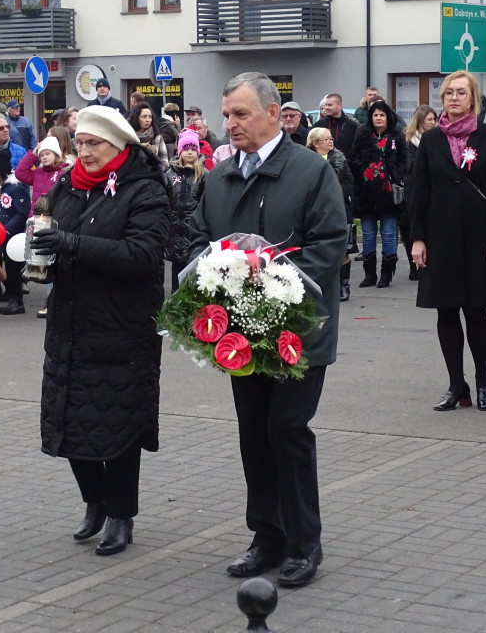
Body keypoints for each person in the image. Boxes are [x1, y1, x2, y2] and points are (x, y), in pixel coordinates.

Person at [188, 72, 348, 589]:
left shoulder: (309, 170)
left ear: (274, 115)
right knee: (254, 434)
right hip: (241, 334)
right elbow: (194, 240)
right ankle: (267, 536)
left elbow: (330, 245)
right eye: (226, 114)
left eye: (241, 114)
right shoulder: (218, 176)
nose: (230, 124)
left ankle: (304, 543)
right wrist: (216, 269)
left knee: (287, 430)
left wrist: (276, 275)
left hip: (298, 332)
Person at [32, 104, 169, 558]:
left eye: (95, 144)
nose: (84, 152)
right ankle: (94, 501)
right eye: (82, 143)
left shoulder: (144, 189)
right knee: (71, 419)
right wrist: (41, 255)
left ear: (119, 146)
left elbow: (142, 256)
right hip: (71, 324)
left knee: (120, 427)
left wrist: (72, 244)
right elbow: (55, 239)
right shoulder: (68, 187)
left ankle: (120, 514)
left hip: (122, 328)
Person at [409, 70, 486, 413]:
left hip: (479, 237)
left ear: (473, 99)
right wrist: (417, 239)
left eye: (461, 93)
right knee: (446, 310)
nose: (454, 98)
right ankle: (457, 385)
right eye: (449, 93)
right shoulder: (431, 140)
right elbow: (419, 193)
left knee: (475, 309)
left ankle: (482, 380)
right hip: (439, 238)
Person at [350, 100, 408, 289]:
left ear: (388, 117)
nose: (378, 118)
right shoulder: (363, 134)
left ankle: (386, 273)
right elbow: (353, 158)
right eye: (375, 115)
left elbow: (404, 159)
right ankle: (369, 274)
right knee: (368, 234)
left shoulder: (396, 135)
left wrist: (395, 174)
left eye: (382, 115)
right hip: (367, 192)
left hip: (388, 194)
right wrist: (364, 171)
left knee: (389, 234)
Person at [307, 127, 355, 300]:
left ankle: (344, 286)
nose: (330, 142)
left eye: (331, 139)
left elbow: (349, 181)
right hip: (314, 210)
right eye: (325, 139)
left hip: (339, 208)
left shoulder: (339, 159)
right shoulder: (306, 161)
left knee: (343, 251)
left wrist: (333, 193)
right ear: (314, 143)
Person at [0, 152, 31, 315]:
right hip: (4, 235)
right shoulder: (0, 187)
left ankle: (17, 301)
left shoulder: (16, 188)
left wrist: (7, 229)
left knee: (14, 269)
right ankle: (12, 297)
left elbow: (23, 212)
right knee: (9, 267)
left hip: (14, 235)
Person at [164, 129, 206, 292]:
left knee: (192, 276)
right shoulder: (169, 175)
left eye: (193, 149)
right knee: (175, 277)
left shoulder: (203, 175)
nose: (190, 152)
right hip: (173, 234)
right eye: (186, 148)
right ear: (180, 151)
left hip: (192, 233)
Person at [400, 105, 437, 280]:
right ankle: (413, 266)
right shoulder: (410, 141)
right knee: (410, 230)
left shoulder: (436, 139)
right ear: (420, 121)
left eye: (434, 119)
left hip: (433, 190)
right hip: (412, 189)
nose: (433, 122)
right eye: (429, 119)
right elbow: (409, 167)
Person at [14, 136, 71, 210]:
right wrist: (33, 155)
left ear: (56, 154)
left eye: (47, 154)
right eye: (41, 155)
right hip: (35, 216)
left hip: (52, 216)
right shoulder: (38, 172)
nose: (44, 157)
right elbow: (20, 173)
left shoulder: (63, 174)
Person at [314, 93, 359, 159]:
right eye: (326, 105)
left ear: (340, 106)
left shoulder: (351, 125)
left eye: (330, 105)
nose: (326, 108)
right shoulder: (319, 125)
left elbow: (356, 149)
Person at [128, 103, 169, 170]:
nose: (148, 120)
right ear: (136, 118)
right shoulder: (129, 137)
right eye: (144, 117)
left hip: (153, 176)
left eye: (150, 117)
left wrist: (153, 171)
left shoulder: (157, 137)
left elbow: (165, 162)